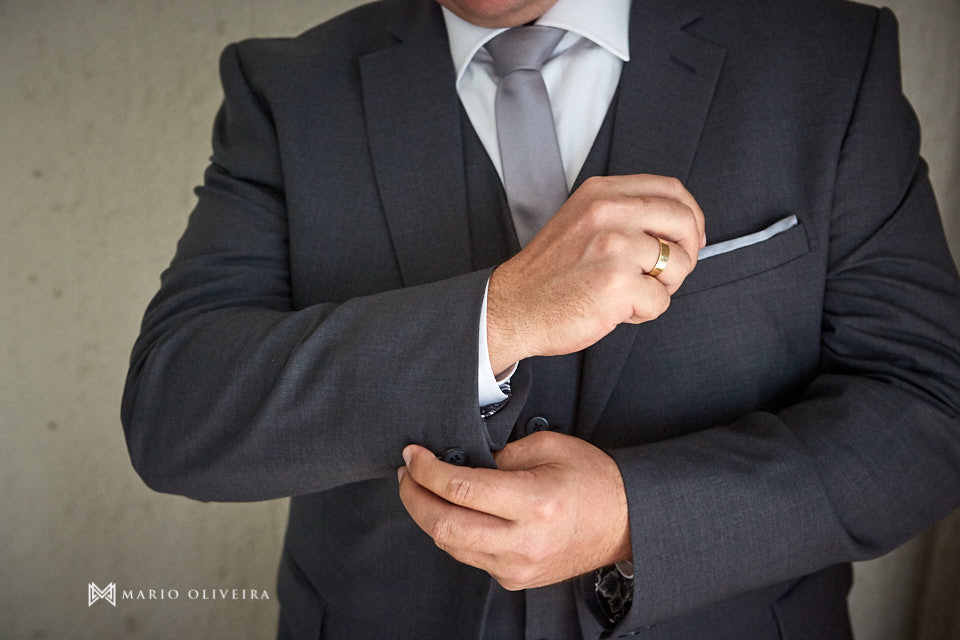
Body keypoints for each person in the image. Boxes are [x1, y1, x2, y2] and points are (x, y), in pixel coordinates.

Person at [121, 0, 960, 637]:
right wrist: (500, 315)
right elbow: (175, 410)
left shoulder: (825, 56)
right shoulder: (290, 90)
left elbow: (928, 409)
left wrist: (634, 518)